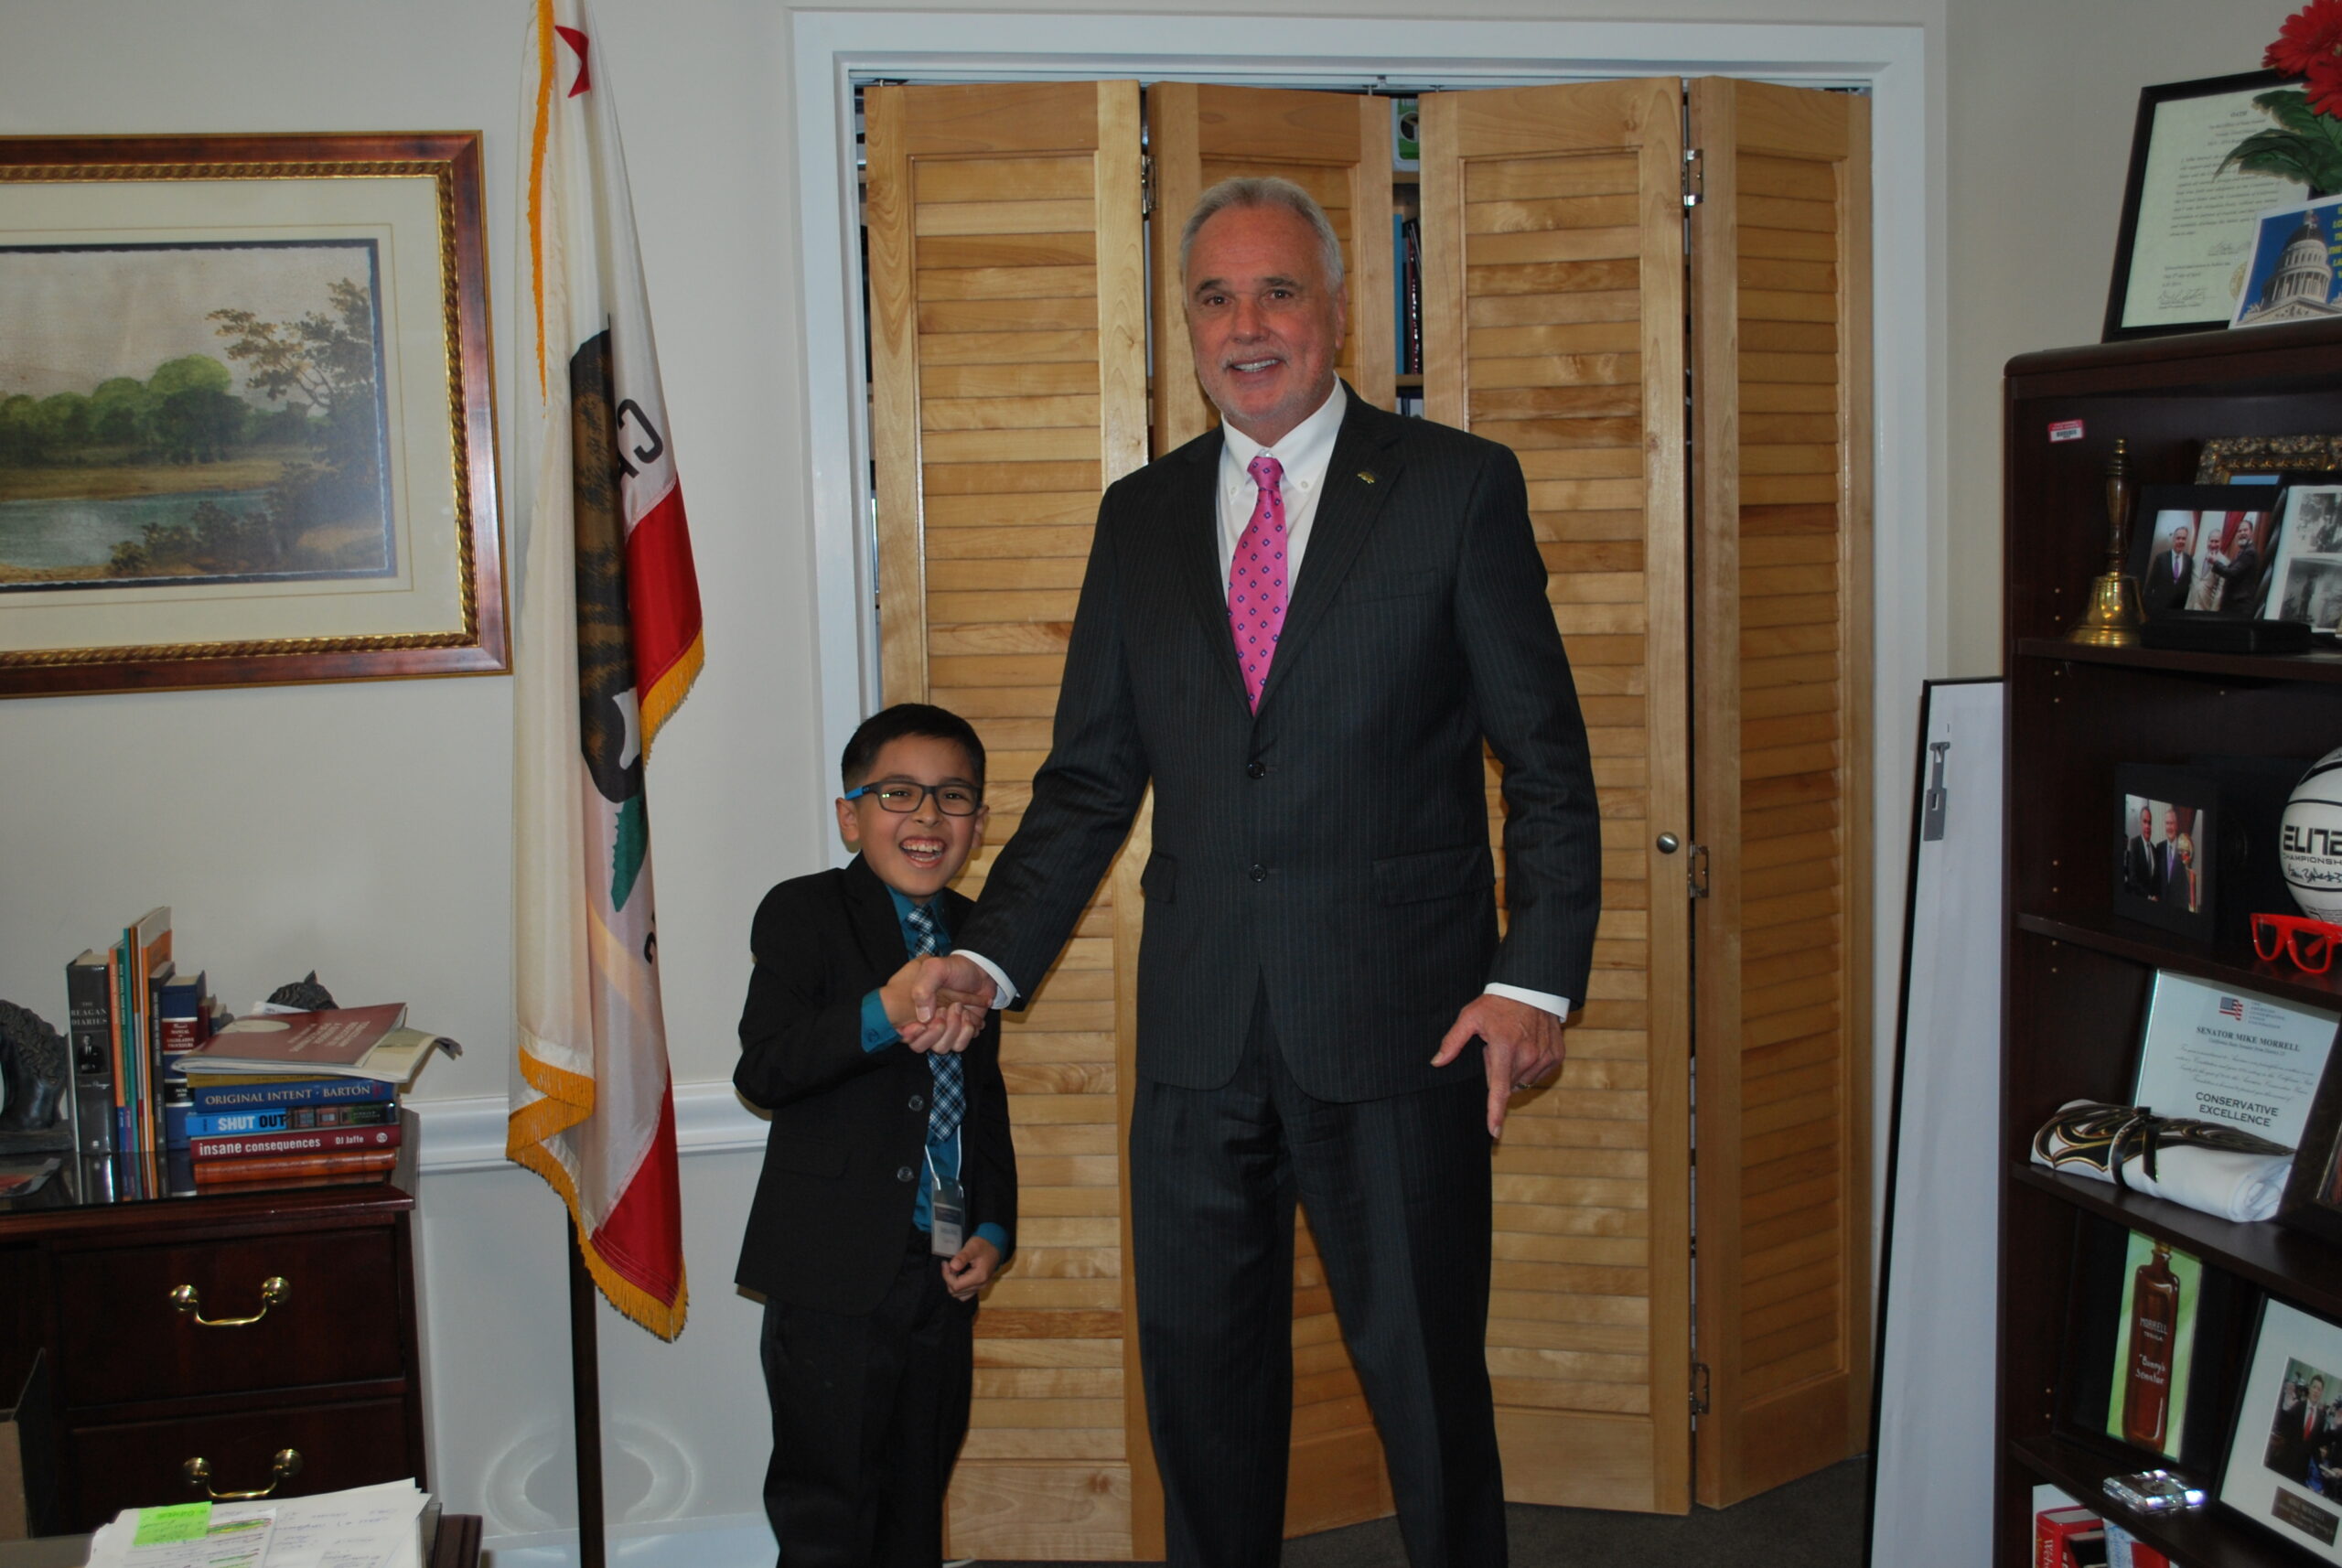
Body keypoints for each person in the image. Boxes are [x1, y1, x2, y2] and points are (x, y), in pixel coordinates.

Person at [911, 176, 1602, 1566]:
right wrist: (984, 957)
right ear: (1187, 326)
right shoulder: (1141, 516)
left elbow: (1547, 765)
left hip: (1403, 1028)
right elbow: (1092, 778)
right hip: (1201, 1036)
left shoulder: (1457, 489)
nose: (1248, 323)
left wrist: (1535, 979)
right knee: (1203, 1398)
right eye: (1216, 297)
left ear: (1339, 307)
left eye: (1278, 289)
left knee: (1424, 1393)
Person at [734, 703, 1017, 1568]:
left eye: (953, 797)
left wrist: (995, 1226)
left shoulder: (983, 940)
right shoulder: (804, 912)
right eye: (899, 793)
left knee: (914, 1494)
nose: (928, 818)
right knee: (831, 1507)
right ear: (851, 815)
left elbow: (982, 1099)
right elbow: (767, 1071)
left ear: (979, 821)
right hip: (831, 1269)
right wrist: (883, 1013)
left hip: (939, 1270)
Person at [2205, 517, 2262, 615]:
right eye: (2239, 531)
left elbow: (2231, 573)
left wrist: (2215, 562)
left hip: (2240, 607)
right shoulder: (2242, 552)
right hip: (2233, 606)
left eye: (2245, 530)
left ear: (2252, 533)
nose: (2242, 533)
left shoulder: (2250, 553)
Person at [2144, 522, 2193, 612]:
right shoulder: (2161, 558)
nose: (2181, 541)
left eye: (2184, 539)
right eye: (2178, 538)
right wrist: (2147, 606)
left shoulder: (2189, 560)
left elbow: (2187, 584)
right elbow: (2151, 583)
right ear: (2173, 539)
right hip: (2159, 606)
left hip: (2178, 608)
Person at [2123, 802, 2160, 901]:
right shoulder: (2134, 844)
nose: (2148, 826)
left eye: (2150, 822)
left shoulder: (2155, 850)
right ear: (2140, 823)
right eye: (2145, 822)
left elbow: (2156, 881)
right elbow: (2132, 879)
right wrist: (2148, 897)